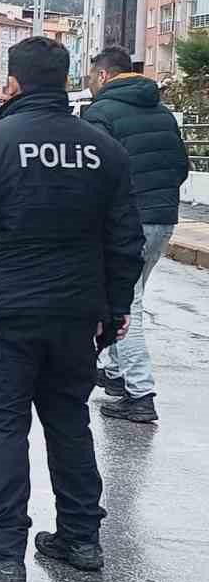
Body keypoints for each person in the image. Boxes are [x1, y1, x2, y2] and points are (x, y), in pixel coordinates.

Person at [0, 37, 143, 582]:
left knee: (3, 429)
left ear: (12, 83)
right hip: (74, 315)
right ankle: (82, 537)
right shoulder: (102, 148)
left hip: (5, 315)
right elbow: (125, 238)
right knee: (69, 422)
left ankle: (4, 551)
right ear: (65, 79)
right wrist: (116, 306)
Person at [82, 46, 191, 425]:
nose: (91, 84)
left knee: (126, 306)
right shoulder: (162, 113)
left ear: (104, 76)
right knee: (123, 297)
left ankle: (140, 393)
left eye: (91, 77)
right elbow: (180, 167)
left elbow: (94, 174)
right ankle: (114, 372)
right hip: (163, 219)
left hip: (126, 223)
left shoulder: (100, 114)